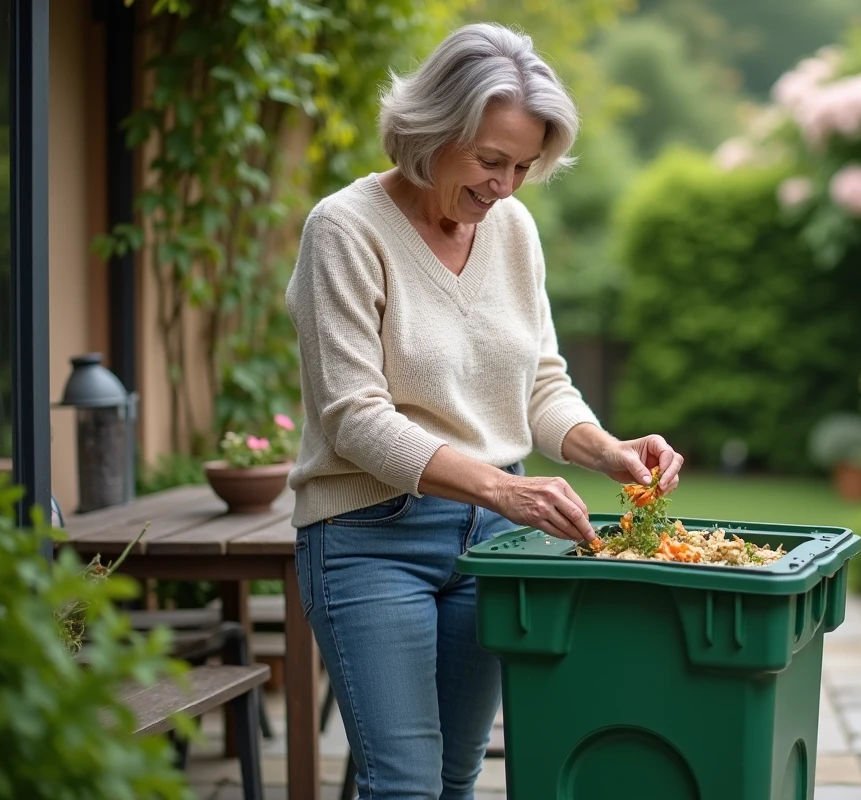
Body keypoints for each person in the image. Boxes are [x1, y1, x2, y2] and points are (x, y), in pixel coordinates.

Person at [284, 21, 684, 800]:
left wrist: (606, 449)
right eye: (490, 160)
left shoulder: (512, 230)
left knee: (458, 776)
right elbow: (353, 418)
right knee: (404, 784)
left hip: (494, 541)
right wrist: (502, 487)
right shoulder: (344, 229)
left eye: (524, 166)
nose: (505, 185)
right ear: (433, 130)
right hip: (370, 537)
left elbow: (536, 382)